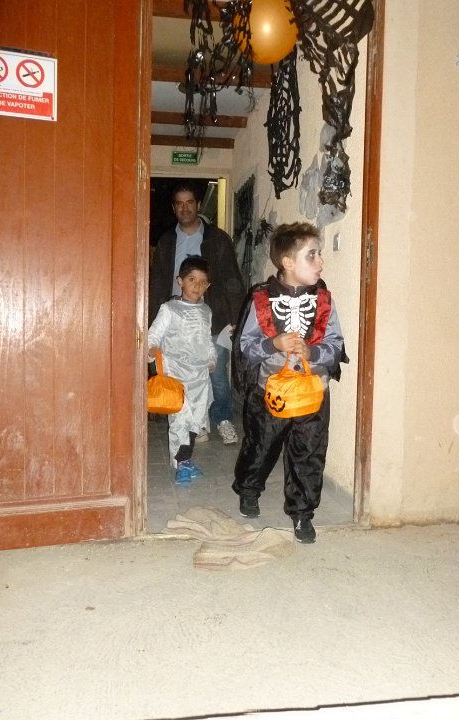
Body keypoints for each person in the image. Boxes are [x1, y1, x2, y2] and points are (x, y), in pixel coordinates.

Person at [231, 222, 347, 543]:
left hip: (313, 391)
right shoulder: (260, 299)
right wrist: (273, 344)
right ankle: (249, 488)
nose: (321, 262)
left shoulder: (324, 300)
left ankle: (302, 513)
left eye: (319, 254)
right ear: (288, 262)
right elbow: (245, 346)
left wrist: (314, 351)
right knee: (261, 445)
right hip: (271, 391)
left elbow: (336, 344)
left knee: (309, 451)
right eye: (312, 255)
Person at [149, 181, 246, 445]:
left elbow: (232, 279)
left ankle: (222, 419)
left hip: (213, 319)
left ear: (198, 205)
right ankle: (194, 422)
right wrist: (154, 322)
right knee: (184, 377)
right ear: (173, 208)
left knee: (216, 374)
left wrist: (237, 318)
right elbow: (157, 282)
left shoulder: (218, 239)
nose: (185, 208)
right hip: (177, 321)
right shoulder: (167, 241)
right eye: (179, 203)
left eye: (189, 202)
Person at [148, 256, 217, 484]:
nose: (197, 286)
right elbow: (153, 336)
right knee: (180, 420)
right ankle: (180, 463)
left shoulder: (206, 310)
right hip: (176, 375)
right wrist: (151, 349)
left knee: (196, 419)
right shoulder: (169, 309)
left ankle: (186, 459)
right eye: (191, 280)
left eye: (202, 282)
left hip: (200, 376)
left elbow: (207, 339)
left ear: (208, 285)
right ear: (180, 281)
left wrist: (212, 358)